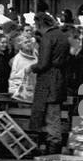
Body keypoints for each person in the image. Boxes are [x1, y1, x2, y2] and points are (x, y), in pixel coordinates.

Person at [28, 8, 72, 153]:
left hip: (48, 80)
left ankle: (53, 144)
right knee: (54, 113)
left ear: (40, 24)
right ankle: (53, 143)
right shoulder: (62, 35)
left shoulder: (48, 37)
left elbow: (43, 63)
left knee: (50, 114)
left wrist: (32, 68)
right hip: (60, 77)